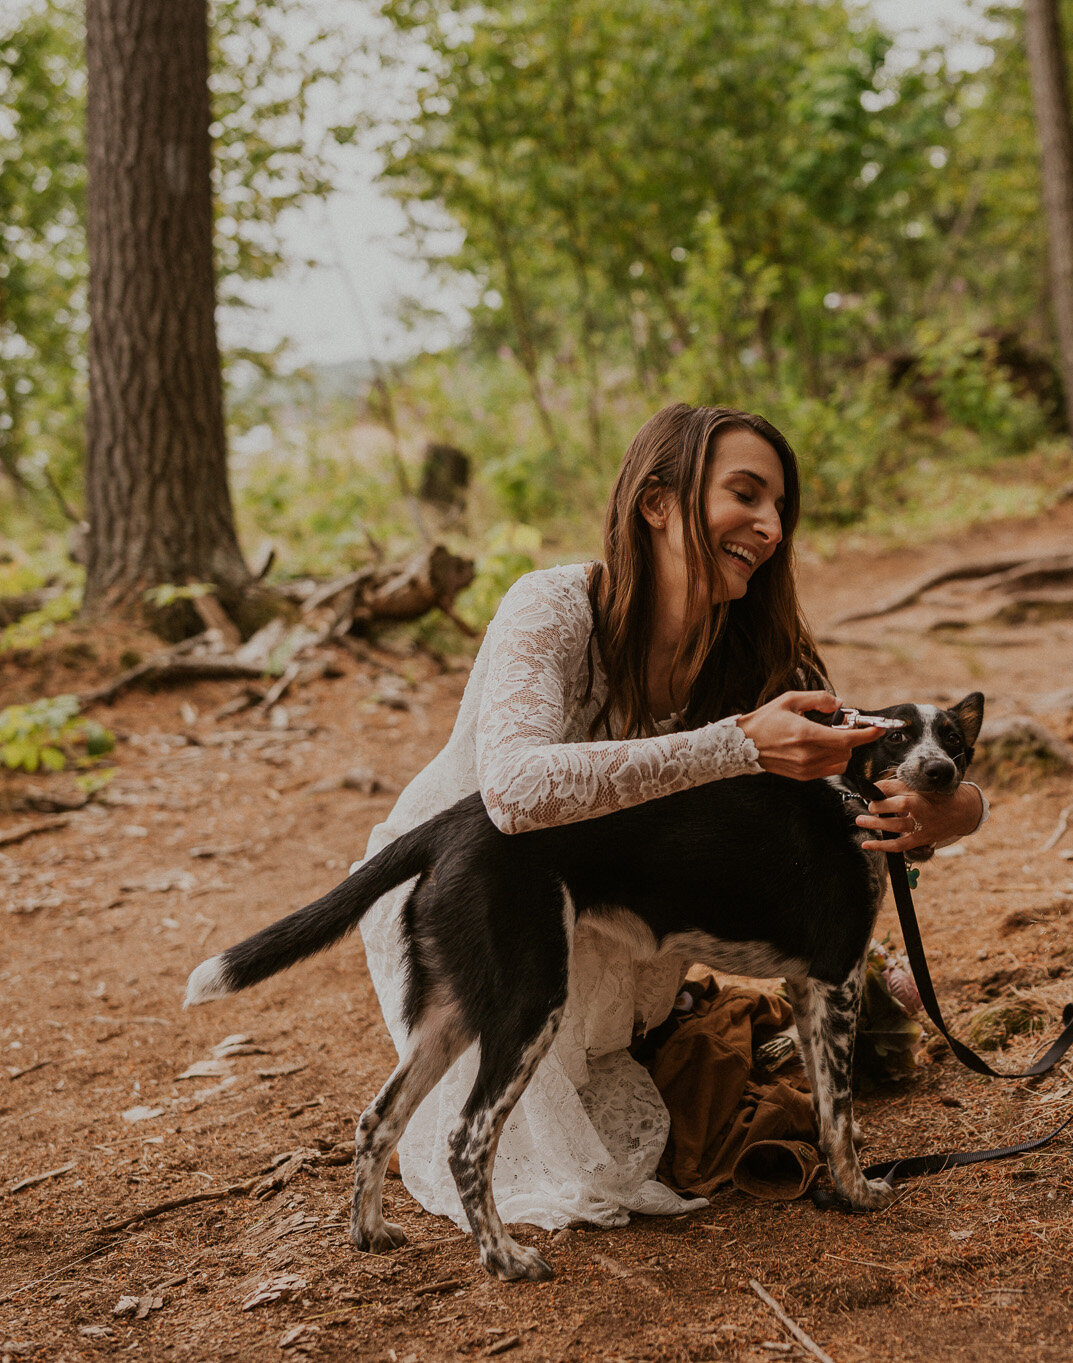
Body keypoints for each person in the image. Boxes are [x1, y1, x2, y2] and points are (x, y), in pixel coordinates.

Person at [351, 402, 988, 1233]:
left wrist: (957, 808)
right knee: (571, 1147)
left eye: (780, 510)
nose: (768, 526)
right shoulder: (552, 607)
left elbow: (868, 764)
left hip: (637, 933)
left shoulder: (753, 646)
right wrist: (735, 742)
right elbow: (513, 792)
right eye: (746, 494)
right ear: (657, 501)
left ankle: (705, 1027)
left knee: (731, 1101)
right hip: (483, 882)